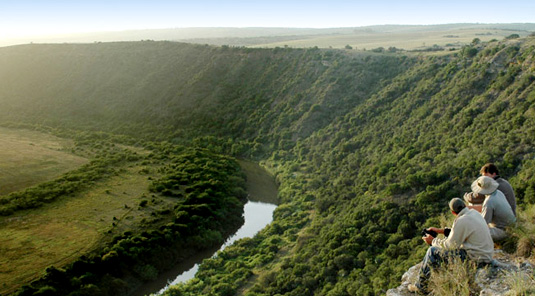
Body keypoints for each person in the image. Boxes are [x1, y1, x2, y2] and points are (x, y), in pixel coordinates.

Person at [408, 198, 493, 294]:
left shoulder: (461, 221)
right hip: (487, 255)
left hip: (477, 260)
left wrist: (432, 241)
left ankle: (421, 287)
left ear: (453, 212)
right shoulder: (474, 213)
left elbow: (449, 245)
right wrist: (441, 231)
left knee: (432, 252)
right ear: (465, 206)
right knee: (441, 251)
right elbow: (458, 233)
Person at [471, 175, 516, 241]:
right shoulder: (499, 192)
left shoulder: (489, 202)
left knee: (477, 232)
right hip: (513, 227)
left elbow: (483, 223)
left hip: (503, 231)